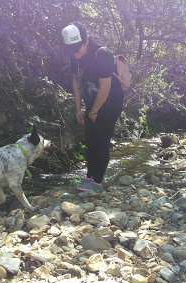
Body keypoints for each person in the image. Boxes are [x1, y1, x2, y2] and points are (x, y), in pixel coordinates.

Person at [61, 21, 124, 192]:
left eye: (78, 49)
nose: (76, 54)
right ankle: (89, 177)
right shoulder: (75, 56)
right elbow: (76, 82)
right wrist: (79, 109)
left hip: (111, 101)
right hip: (92, 99)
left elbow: (105, 88)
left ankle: (97, 182)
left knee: (101, 140)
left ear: (86, 40)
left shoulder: (102, 54)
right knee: (90, 139)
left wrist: (95, 110)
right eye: (72, 51)